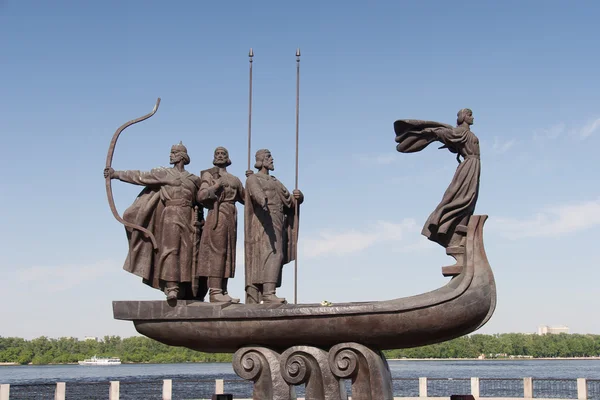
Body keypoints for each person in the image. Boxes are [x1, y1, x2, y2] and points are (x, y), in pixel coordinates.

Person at [103, 142, 202, 301]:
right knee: (171, 249)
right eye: (171, 152)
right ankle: (172, 288)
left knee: (186, 253)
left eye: (174, 152)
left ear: (182, 156)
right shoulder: (164, 174)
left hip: (189, 217)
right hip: (171, 214)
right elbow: (140, 176)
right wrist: (116, 174)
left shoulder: (194, 179)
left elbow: (201, 199)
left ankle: (185, 287)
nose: (171, 155)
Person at [394, 108, 480, 258]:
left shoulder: (464, 133)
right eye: (470, 115)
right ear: (464, 117)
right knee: (462, 198)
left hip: (473, 166)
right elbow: (442, 133)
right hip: (469, 166)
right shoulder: (460, 132)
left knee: (469, 200)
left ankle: (459, 234)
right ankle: (443, 228)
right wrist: (430, 132)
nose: (473, 118)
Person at [244, 149, 304, 304]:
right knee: (272, 253)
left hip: (277, 220)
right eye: (268, 157)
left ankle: (269, 291)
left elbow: (288, 201)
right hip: (264, 220)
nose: (272, 159)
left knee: (277, 253)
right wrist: (261, 199)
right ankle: (268, 293)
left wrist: (298, 197)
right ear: (261, 160)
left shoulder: (275, 181)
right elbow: (255, 193)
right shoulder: (253, 178)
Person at [196, 147, 244, 303]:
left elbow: (246, 199)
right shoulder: (209, 175)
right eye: (217, 154)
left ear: (228, 158)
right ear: (214, 158)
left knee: (228, 252)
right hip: (217, 213)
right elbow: (201, 196)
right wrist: (216, 186)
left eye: (223, 154)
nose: (220, 156)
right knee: (217, 251)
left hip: (231, 215)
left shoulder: (235, 179)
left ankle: (223, 290)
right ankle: (215, 291)